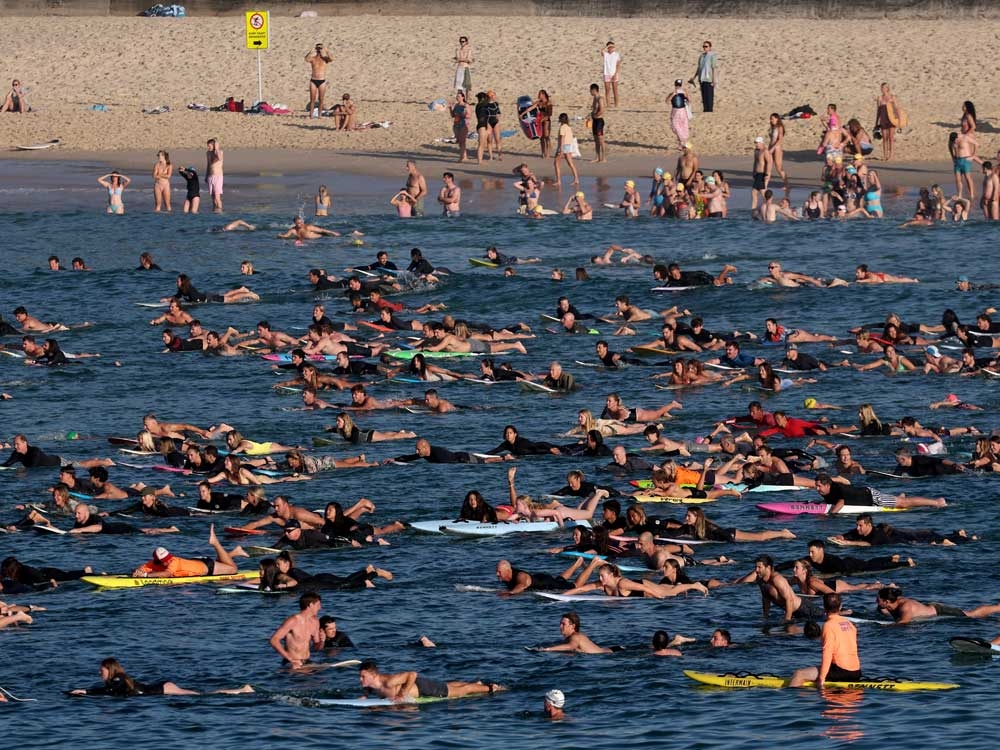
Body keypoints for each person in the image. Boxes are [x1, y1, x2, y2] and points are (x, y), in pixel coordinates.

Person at [69, 657, 253, 697]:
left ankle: (242, 690)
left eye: (101, 670)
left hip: (163, 689)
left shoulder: (118, 679)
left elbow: (109, 690)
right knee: (202, 694)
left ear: (110, 669)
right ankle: (241, 690)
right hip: (162, 688)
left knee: (204, 696)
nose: (99, 673)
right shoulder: (117, 681)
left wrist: (85, 691)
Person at [789, 593, 861, 687]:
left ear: (824, 607)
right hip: (856, 672)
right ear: (840, 607)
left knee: (799, 674)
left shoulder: (828, 625)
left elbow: (827, 653)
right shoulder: (850, 624)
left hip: (841, 672)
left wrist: (821, 679)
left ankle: (791, 700)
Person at [130, 525, 244, 577]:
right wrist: (137, 571)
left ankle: (215, 543)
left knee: (233, 569)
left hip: (207, 567)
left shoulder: (172, 562)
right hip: (197, 561)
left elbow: (167, 573)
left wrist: (145, 575)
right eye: (165, 560)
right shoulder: (153, 564)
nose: (168, 561)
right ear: (158, 561)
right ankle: (234, 552)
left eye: (168, 558)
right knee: (226, 564)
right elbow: (141, 568)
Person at [358, 659, 501, 701]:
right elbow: (369, 687)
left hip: (423, 688)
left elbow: (412, 674)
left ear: (374, 674)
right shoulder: (372, 684)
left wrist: (402, 694)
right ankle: (476, 684)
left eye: (363, 676)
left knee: (459, 692)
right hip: (420, 686)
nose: (360, 679)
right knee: (448, 685)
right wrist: (365, 695)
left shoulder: (388, 682)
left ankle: (490, 688)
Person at [876, 586, 1000, 624]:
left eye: (878, 599)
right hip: (929, 608)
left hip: (940, 611)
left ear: (886, 601)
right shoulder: (888, 605)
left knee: (972, 615)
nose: (876, 601)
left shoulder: (905, 606)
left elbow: (904, 622)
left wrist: (884, 627)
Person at [269, 592, 323, 667]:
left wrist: (322, 640)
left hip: (307, 662)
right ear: (310, 605)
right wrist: (291, 659)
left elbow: (317, 647)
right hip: (291, 663)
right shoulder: (293, 621)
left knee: (322, 677)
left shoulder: (315, 621)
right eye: (318, 605)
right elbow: (274, 640)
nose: (320, 608)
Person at [539, 611, 612, 654]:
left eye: (563, 624)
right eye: (560, 623)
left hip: (609, 654)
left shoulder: (575, 636)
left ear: (572, 626)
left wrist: (547, 649)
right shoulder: (571, 638)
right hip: (608, 650)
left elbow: (571, 646)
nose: (560, 626)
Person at [689, 41, 717, 112]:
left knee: (709, 96)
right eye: (704, 46)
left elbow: (713, 68)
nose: (705, 48)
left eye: (706, 46)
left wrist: (714, 80)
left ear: (710, 47)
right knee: (704, 95)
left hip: (709, 78)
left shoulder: (712, 56)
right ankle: (705, 109)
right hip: (702, 78)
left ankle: (709, 110)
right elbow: (699, 68)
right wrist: (694, 77)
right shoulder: (701, 56)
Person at [306, 43, 333, 118]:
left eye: (320, 49)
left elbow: (331, 59)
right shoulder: (313, 58)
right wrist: (311, 51)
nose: (319, 51)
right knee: (312, 99)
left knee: (321, 99)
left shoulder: (325, 59)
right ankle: (311, 115)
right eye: (318, 49)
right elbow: (306, 59)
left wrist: (326, 50)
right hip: (313, 80)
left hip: (322, 80)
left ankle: (319, 115)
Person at [875, 82, 898, 161]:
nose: (883, 89)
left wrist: (898, 119)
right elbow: (878, 111)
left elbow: (896, 109)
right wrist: (876, 122)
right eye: (882, 88)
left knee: (891, 137)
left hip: (891, 119)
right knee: (885, 138)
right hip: (883, 118)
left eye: (884, 87)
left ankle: (891, 155)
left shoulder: (892, 97)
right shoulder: (880, 98)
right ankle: (885, 155)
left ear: (888, 88)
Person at [554, 113, 579, 185]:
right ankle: (576, 179)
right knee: (570, 163)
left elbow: (562, 138)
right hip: (569, 145)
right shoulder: (568, 127)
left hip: (563, 146)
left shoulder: (562, 127)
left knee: (556, 163)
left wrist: (560, 149)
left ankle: (559, 181)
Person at [750, 136, 772, 213]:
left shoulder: (765, 151)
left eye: (757, 143)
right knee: (754, 192)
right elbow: (755, 162)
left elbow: (769, 162)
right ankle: (753, 210)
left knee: (763, 193)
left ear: (761, 143)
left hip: (763, 174)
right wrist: (753, 172)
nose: (756, 144)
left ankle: (769, 209)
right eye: (755, 143)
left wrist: (767, 174)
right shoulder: (756, 151)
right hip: (757, 174)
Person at [669, 80, 690, 151]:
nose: (678, 87)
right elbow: (667, 101)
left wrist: (686, 94)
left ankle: (683, 143)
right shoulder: (673, 93)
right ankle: (682, 144)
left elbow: (689, 101)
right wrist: (672, 94)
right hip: (676, 111)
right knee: (677, 127)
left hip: (682, 111)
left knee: (681, 127)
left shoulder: (683, 93)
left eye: (679, 85)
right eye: (677, 85)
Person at [205, 138, 224, 212]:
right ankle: (214, 211)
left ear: (214, 145)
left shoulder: (219, 152)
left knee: (217, 196)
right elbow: (208, 164)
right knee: (212, 197)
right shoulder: (208, 153)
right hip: (210, 176)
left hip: (218, 176)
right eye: (208, 146)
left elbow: (219, 158)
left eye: (209, 146)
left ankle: (220, 212)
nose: (208, 147)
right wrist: (206, 175)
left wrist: (216, 148)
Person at [589, 83, 607, 163]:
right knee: (596, 139)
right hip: (594, 120)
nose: (590, 92)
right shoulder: (594, 99)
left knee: (600, 139)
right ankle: (597, 157)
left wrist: (595, 115)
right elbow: (594, 110)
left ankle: (604, 158)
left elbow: (602, 110)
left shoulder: (600, 99)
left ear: (594, 90)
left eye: (590, 90)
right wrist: (590, 115)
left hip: (599, 121)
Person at [450, 92, 469, 162]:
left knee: (462, 141)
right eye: (457, 96)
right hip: (456, 124)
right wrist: (450, 108)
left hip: (463, 124)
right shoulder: (456, 105)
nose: (457, 97)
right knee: (460, 142)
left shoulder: (465, 105)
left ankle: (462, 158)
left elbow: (469, 116)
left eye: (459, 96)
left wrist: (463, 115)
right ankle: (465, 156)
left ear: (463, 97)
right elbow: (452, 115)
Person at [601, 40, 621, 107]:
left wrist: (615, 74)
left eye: (612, 47)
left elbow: (618, 65)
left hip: (614, 74)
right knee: (607, 90)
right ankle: (608, 105)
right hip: (606, 73)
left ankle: (616, 104)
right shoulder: (606, 54)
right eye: (610, 47)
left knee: (615, 90)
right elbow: (601, 51)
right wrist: (607, 46)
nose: (611, 48)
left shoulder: (616, 54)